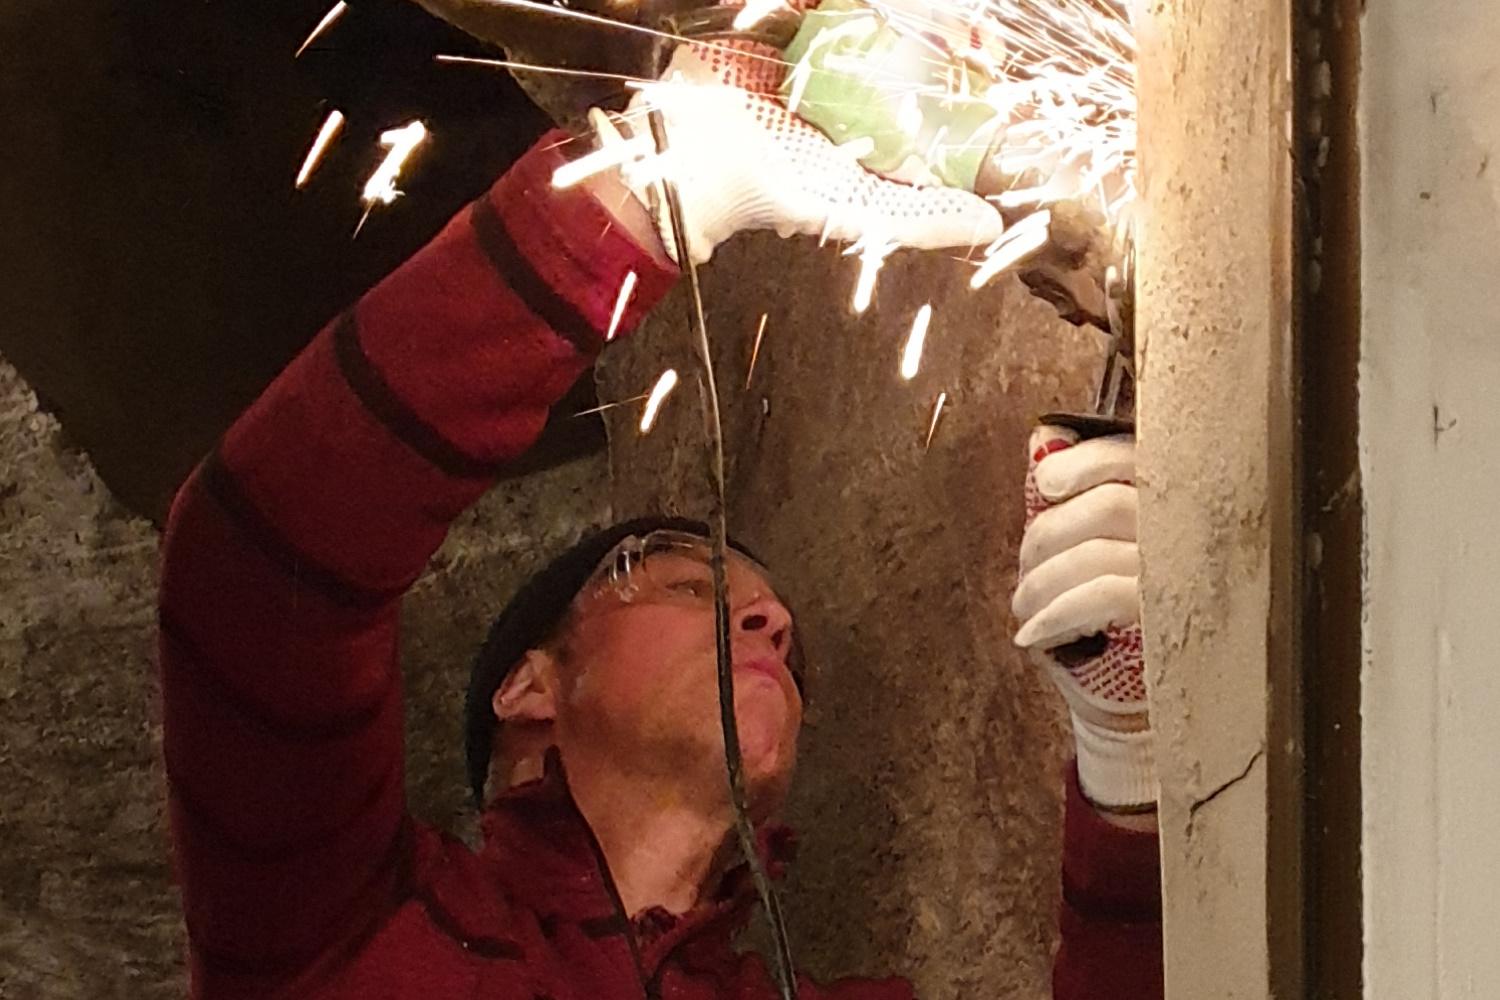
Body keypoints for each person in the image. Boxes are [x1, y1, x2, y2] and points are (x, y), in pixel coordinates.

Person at [156, 34, 1161, 1000]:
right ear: (527, 685)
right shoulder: (351, 947)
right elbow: (258, 562)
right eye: (689, 581)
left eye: (781, 631)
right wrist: (655, 184)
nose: (773, 622)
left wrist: (1127, 757)